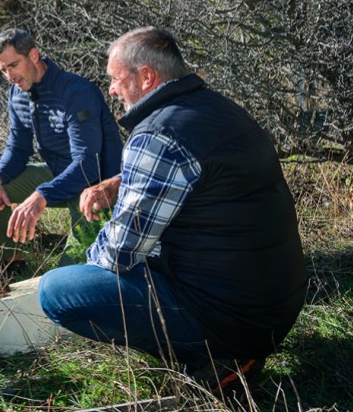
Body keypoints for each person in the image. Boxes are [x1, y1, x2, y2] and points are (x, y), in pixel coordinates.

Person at [38, 27, 308, 391]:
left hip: (230, 322)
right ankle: (224, 348)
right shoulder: (217, 108)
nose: (112, 91)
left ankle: (209, 356)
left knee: (58, 291)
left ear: (146, 76)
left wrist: (88, 264)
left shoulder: (156, 135)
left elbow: (119, 253)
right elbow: (202, 178)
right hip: (275, 305)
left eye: (116, 80)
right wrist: (120, 183)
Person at [0, 28, 123, 266]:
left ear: (33, 55)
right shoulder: (17, 94)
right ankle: (12, 263)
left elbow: (87, 165)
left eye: (13, 65)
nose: (9, 76)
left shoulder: (76, 92)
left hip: (97, 187)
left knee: (67, 275)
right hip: (57, 176)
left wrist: (42, 194)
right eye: (3, 70)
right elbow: (18, 147)